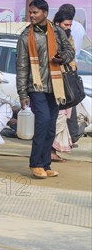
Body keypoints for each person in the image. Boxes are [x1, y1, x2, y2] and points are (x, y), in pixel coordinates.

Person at [16, 0, 74, 179]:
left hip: (56, 86)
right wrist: (22, 92)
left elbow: (70, 52)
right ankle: (36, 163)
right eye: (30, 12)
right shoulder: (26, 36)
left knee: (50, 126)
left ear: (45, 13)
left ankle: (46, 164)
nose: (32, 15)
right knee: (43, 121)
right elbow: (22, 66)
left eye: (35, 12)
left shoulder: (57, 32)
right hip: (36, 85)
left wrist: (62, 58)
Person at [51, 10, 77, 161]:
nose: (68, 27)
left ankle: (54, 151)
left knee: (63, 118)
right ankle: (51, 152)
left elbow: (71, 56)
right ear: (57, 23)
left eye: (70, 25)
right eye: (65, 24)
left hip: (67, 80)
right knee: (58, 117)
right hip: (56, 81)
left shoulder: (68, 36)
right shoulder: (53, 38)